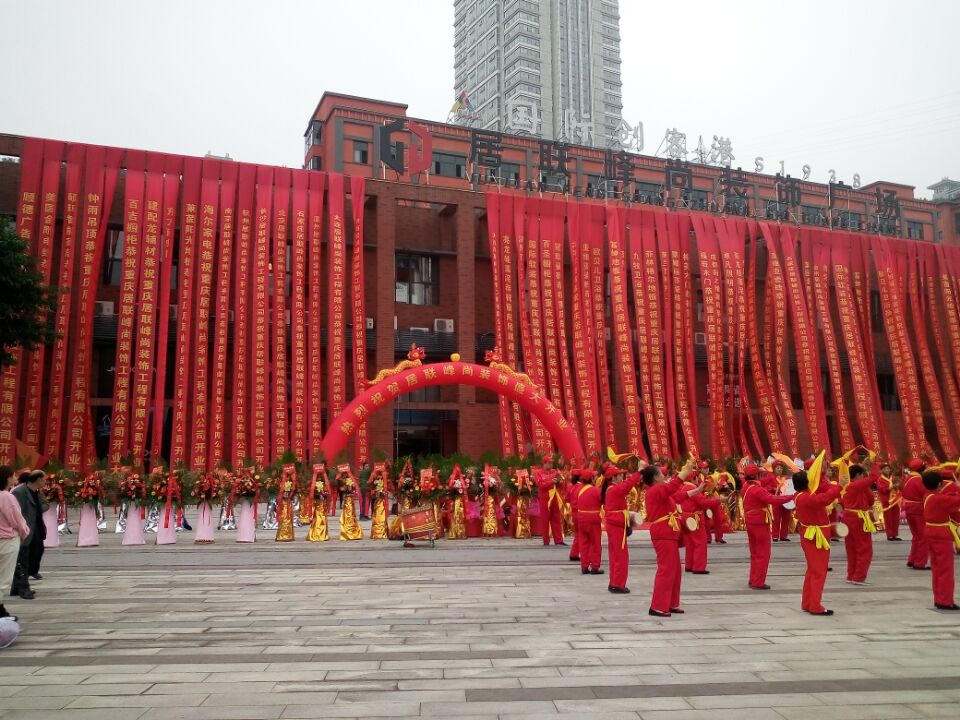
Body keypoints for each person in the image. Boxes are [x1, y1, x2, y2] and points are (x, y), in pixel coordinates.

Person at [644, 459, 701, 617]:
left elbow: (678, 496)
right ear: (655, 477)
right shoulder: (656, 490)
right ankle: (657, 606)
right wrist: (686, 471)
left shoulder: (661, 492)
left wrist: (697, 490)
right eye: (661, 474)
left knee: (675, 570)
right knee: (666, 570)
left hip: (669, 534)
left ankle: (671, 603)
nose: (664, 476)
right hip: (663, 534)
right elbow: (672, 487)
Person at [794, 465, 846, 616]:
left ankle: (807, 602)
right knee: (819, 572)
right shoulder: (807, 497)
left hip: (811, 534)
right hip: (816, 536)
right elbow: (825, 498)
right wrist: (840, 486)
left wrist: (821, 471)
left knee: (812, 570)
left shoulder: (799, 495)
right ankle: (815, 606)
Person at [741, 464, 795, 589]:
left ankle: (753, 578)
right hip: (760, 522)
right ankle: (758, 582)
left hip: (750, 521)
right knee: (763, 553)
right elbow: (773, 500)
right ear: (756, 475)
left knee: (755, 552)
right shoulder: (756, 489)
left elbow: (763, 495)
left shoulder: (746, 486)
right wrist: (791, 497)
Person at [601, 463, 646, 594]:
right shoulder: (614, 489)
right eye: (620, 475)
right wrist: (639, 472)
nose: (622, 477)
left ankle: (614, 582)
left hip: (615, 524)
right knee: (620, 556)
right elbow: (628, 485)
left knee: (615, 555)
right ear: (613, 478)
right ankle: (618, 584)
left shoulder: (611, 489)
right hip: (616, 525)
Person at [921, 468, 960, 610]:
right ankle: (945, 600)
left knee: (937, 568)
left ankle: (939, 598)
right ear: (939, 484)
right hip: (941, 533)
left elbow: (947, 499)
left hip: (930, 531)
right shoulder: (939, 498)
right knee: (945, 569)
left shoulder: (928, 495)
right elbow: (956, 501)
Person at [677, 463, 722, 574]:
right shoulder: (692, 488)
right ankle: (698, 567)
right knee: (700, 543)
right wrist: (719, 500)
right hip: (695, 518)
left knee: (690, 543)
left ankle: (689, 565)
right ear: (693, 478)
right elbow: (703, 503)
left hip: (685, 517)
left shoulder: (682, 487)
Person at [11, 470, 46, 600]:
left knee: (37, 552)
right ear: (38, 479)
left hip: (37, 528)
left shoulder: (37, 492)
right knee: (23, 559)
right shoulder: (19, 492)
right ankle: (23, 588)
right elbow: (17, 513)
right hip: (25, 529)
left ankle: (16, 586)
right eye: (44, 479)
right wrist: (21, 529)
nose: (45, 482)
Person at [1, 466, 29, 621]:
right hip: (7, 540)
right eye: (13, 476)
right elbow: (17, 520)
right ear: (7, 478)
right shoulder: (7, 497)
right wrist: (24, 533)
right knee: (3, 579)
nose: (15, 478)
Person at [841, 464, 877, 585]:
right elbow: (874, 477)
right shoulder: (857, 485)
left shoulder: (847, 485)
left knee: (851, 548)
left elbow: (870, 500)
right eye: (862, 474)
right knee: (864, 548)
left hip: (847, 517)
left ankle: (851, 575)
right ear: (858, 475)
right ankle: (859, 577)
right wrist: (874, 463)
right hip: (858, 518)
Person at [901, 458, 930, 570]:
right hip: (918, 510)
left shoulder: (908, 478)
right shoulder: (918, 480)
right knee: (923, 537)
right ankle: (920, 562)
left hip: (909, 509)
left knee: (916, 536)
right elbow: (925, 493)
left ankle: (912, 559)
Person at [576, 472, 603, 575]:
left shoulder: (578, 490)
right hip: (593, 519)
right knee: (595, 543)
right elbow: (603, 501)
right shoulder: (596, 490)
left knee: (584, 543)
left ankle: (584, 566)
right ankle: (595, 566)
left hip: (581, 518)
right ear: (591, 479)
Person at [534, 455, 565, 546]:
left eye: (551, 463)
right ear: (544, 463)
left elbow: (562, 483)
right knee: (545, 519)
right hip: (544, 498)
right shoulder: (538, 473)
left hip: (554, 498)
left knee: (556, 519)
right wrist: (551, 481)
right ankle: (546, 540)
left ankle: (558, 540)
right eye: (549, 463)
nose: (551, 464)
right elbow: (540, 485)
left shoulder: (555, 472)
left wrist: (559, 481)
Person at [876, 462, 902, 541]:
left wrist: (898, 485)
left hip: (895, 500)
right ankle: (889, 535)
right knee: (888, 518)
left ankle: (895, 534)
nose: (887, 470)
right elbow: (882, 490)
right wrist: (892, 487)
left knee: (895, 518)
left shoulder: (893, 478)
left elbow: (899, 486)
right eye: (885, 469)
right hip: (886, 501)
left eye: (888, 468)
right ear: (881, 471)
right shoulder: (880, 479)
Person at [566, 470, 584, 562]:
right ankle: (579, 553)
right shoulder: (582, 487)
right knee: (582, 534)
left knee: (578, 533)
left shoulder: (571, 486)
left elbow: (567, 499)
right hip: (581, 512)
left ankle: (574, 553)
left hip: (574, 512)